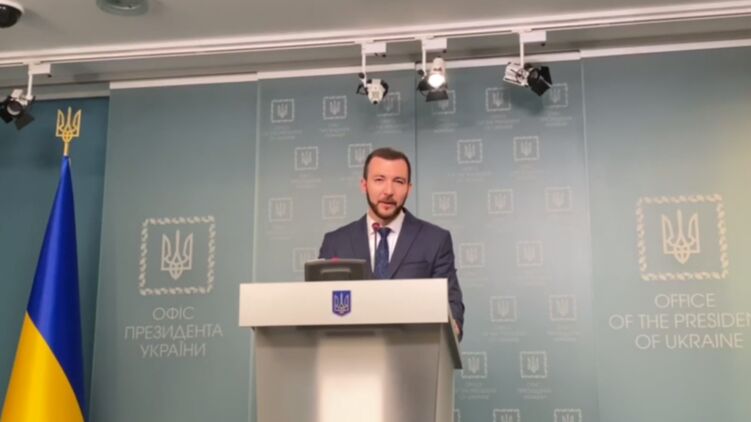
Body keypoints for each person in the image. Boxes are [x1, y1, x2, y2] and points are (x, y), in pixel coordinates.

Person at [318, 147, 465, 339]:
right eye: (379, 180)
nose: (388, 191)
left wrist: (453, 326)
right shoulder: (335, 242)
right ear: (364, 185)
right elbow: (319, 306)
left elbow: (451, 303)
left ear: (409, 189)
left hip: (414, 351)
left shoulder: (436, 240)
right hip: (351, 350)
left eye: (398, 181)